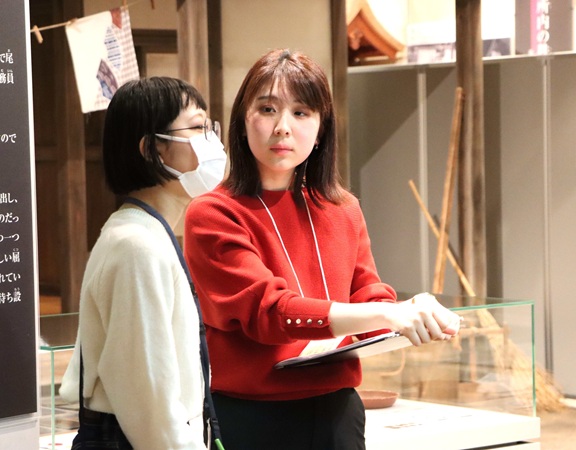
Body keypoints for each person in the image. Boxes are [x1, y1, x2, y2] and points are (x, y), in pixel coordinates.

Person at [183, 49, 461, 450]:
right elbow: (269, 311)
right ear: (243, 121)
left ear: (320, 130)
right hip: (250, 416)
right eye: (267, 109)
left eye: (301, 112)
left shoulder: (342, 208)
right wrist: (389, 313)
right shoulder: (212, 212)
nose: (283, 128)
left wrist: (416, 310)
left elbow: (369, 296)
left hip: (337, 412)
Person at [60, 76, 227, 450]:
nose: (212, 142)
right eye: (197, 128)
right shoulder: (137, 247)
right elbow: (150, 408)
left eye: (210, 127)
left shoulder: (144, 234)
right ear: (152, 149)